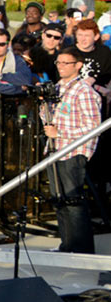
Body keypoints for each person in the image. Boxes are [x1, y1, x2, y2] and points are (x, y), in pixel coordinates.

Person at [41, 51, 99, 253]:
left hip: (73, 152)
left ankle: (82, 251)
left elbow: (94, 126)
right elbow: (48, 117)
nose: (61, 66)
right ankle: (67, 245)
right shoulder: (57, 87)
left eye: (67, 63)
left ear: (78, 65)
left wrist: (61, 133)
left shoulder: (84, 91)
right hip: (54, 150)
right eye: (59, 62)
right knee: (59, 200)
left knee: (74, 202)